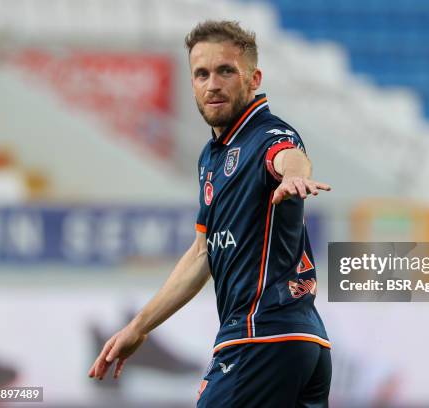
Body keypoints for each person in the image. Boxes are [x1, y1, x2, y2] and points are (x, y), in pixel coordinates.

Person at [88, 20, 332, 407]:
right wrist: (138, 327)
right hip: (300, 344)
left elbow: (290, 157)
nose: (212, 84)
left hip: (260, 338)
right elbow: (203, 254)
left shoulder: (266, 135)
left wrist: (295, 178)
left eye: (225, 71)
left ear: (254, 78)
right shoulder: (212, 156)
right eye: (201, 74)